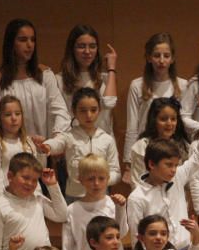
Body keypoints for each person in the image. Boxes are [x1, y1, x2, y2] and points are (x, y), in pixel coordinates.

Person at [0, 19, 69, 140]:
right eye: (23, 40)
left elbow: (60, 110)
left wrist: (57, 138)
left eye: (32, 40)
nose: (29, 45)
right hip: (11, 151)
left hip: (43, 149)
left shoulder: (45, 75)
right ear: (11, 43)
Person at [123, 33, 188, 161]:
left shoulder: (183, 86)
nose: (162, 61)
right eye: (157, 55)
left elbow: (185, 125)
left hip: (174, 152)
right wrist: (128, 161)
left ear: (172, 58)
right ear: (148, 57)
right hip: (145, 151)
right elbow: (132, 127)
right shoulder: (137, 85)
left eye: (166, 56)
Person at [55, 24, 118, 135]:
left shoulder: (105, 77)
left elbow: (109, 103)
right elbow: (61, 119)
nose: (87, 51)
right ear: (72, 49)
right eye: (81, 46)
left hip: (103, 142)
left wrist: (111, 68)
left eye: (92, 46)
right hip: (75, 142)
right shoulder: (59, 80)